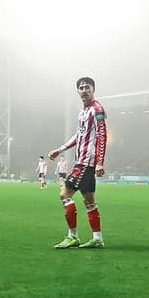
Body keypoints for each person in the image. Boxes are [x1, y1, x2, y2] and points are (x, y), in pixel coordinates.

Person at [48, 77, 107, 249]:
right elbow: (78, 136)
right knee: (89, 201)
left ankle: (72, 236)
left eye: (87, 87)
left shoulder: (97, 110)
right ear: (78, 92)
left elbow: (102, 135)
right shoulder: (82, 112)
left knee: (64, 195)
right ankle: (97, 238)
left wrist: (99, 163)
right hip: (81, 161)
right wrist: (60, 149)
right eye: (80, 88)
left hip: (86, 162)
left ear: (93, 89)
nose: (83, 90)